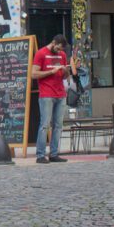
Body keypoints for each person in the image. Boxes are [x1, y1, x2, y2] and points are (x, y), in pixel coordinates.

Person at [31, 34, 75, 164]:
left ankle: (54, 153)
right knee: (44, 125)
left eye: (61, 49)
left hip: (60, 94)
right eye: (58, 48)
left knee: (58, 125)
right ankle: (40, 155)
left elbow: (64, 76)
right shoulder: (41, 53)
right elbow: (33, 74)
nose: (59, 51)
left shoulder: (61, 55)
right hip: (46, 94)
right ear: (54, 42)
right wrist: (51, 71)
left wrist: (65, 70)